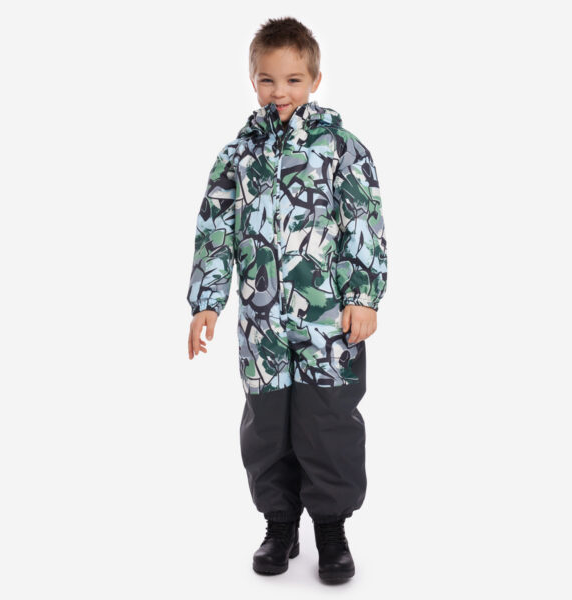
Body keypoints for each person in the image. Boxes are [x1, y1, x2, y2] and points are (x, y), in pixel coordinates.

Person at [186, 17, 387, 583]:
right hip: (262, 325)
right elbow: (215, 231)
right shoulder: (237, 156)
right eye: (268, 80)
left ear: (315, 80)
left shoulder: (341, 149)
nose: (281, 92)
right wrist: (206, 302)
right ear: (252, 80)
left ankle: (331, 528)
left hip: (328, 322)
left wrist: (363, 295)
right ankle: (280, 524)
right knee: (267, 428)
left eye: (294, 80)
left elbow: (363, 224)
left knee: (328, 423)